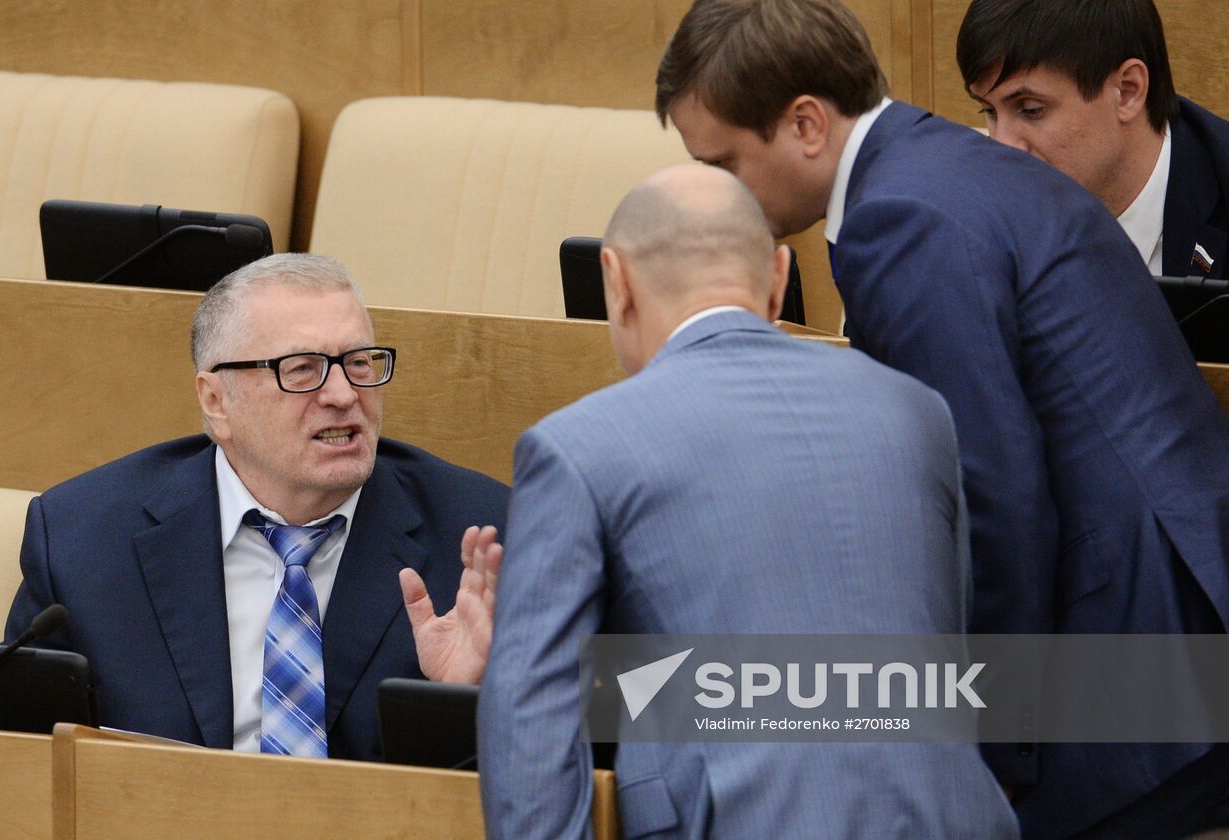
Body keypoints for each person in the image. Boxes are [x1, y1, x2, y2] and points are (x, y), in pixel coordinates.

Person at [653, 1, 1229, 837]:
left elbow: (991, 502)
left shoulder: (903, 220)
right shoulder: (931, 164)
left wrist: (984, 763)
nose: (716, 195)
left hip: (1137, 679)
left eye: (724, 162)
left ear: (806, 124)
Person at [477, 163, 1018, 839]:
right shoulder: (918, 411)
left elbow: (534, 724)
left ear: (615, 282)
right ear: (779, 277)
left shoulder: (574, 447)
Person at [5, 253, 508, 761]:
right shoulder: (80, 538)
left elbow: (588, 753)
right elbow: (16, 758)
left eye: (358, 362)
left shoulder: (494, 534)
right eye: (302, 369)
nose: (343, 393)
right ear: (216, 400)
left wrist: (478, 702)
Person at [958, 0, 1229, 360]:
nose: (1002, 149)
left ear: (1128, 91)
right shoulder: (970, 204)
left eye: (1030, 110)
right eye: (989, 111)